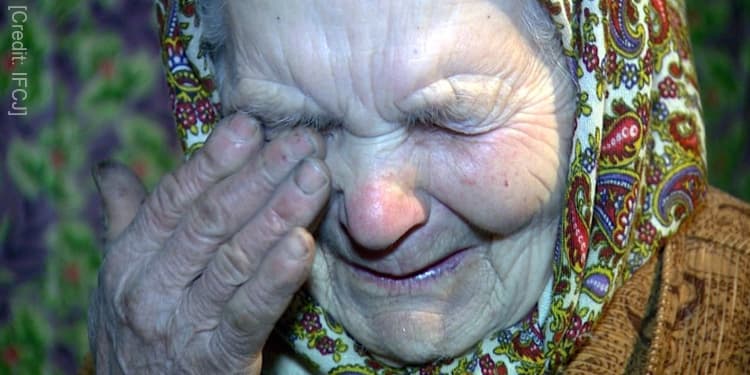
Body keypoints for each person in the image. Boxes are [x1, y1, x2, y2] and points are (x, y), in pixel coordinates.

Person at [85, 0, 750, 373]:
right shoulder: (162, 351)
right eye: (294, 125)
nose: (373, 217)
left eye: (445, 120)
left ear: (603, 98)